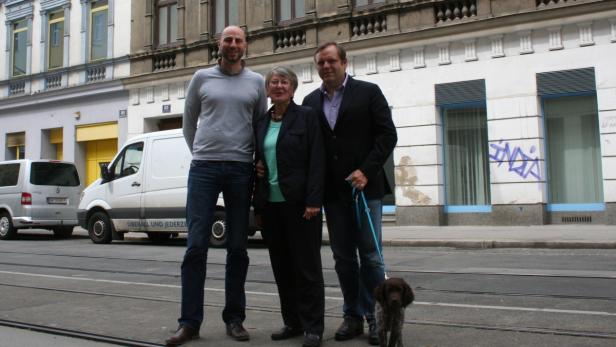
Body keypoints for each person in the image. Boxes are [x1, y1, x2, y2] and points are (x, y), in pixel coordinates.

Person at [165, 26, 267, 346]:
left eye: (238, 40)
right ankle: (189, 323)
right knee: (196, 246)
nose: (233, 45)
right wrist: (202, 153)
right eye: (228, 40)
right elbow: (188, 122)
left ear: (245, 46)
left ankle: (234, 319)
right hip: (204, 169)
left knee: (237, 247)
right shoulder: (201, 78)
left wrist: (257, 160)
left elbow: (260, 126)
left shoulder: (257, 82)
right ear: (219, 44)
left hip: (241, 170)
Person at [302, 42, 397, 346]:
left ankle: (375, 318)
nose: (326, 67)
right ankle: (352, 315)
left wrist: (366, 170)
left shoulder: (369, 91)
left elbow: (387, 135)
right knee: (343, 258)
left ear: (344, 62)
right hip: (333, 194)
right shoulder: (309, 102)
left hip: (365, 189)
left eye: (331, 61)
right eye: (321, 63)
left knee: (370, 256)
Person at [253, 66, 326, 347]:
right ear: (268, 90)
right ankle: (292, 322)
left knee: (307, 269)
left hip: (300, 206)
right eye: (274, 82)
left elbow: (317, 160)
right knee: (282, 268)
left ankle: (313, 327)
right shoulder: (261, 122)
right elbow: (258, 161)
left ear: (293, 88)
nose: (279, 86)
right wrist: (258, 207)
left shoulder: (306, 117)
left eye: (284, 82)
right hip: (271, 207)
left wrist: (313, 201)